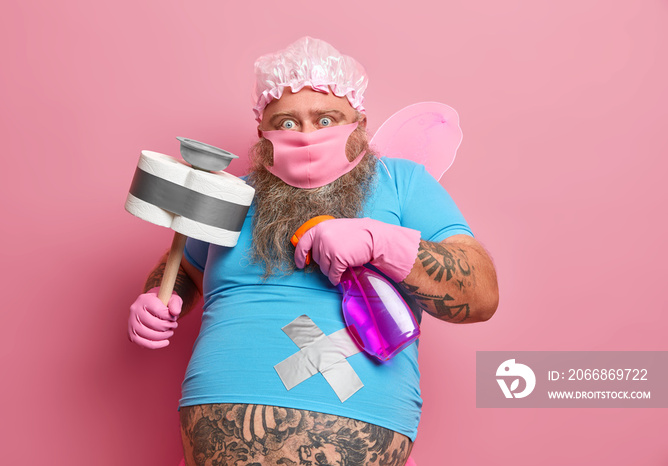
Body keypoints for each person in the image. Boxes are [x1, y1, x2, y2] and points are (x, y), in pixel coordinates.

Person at [128, 37, 498, 466]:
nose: (306, 136)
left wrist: (382, 242)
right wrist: (159, 297)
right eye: (286, 123)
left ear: (359, 122)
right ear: (262, 132)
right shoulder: (232, 195)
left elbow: (481, 294)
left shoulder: (403, 182)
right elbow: (185, 271)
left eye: (326, 119)